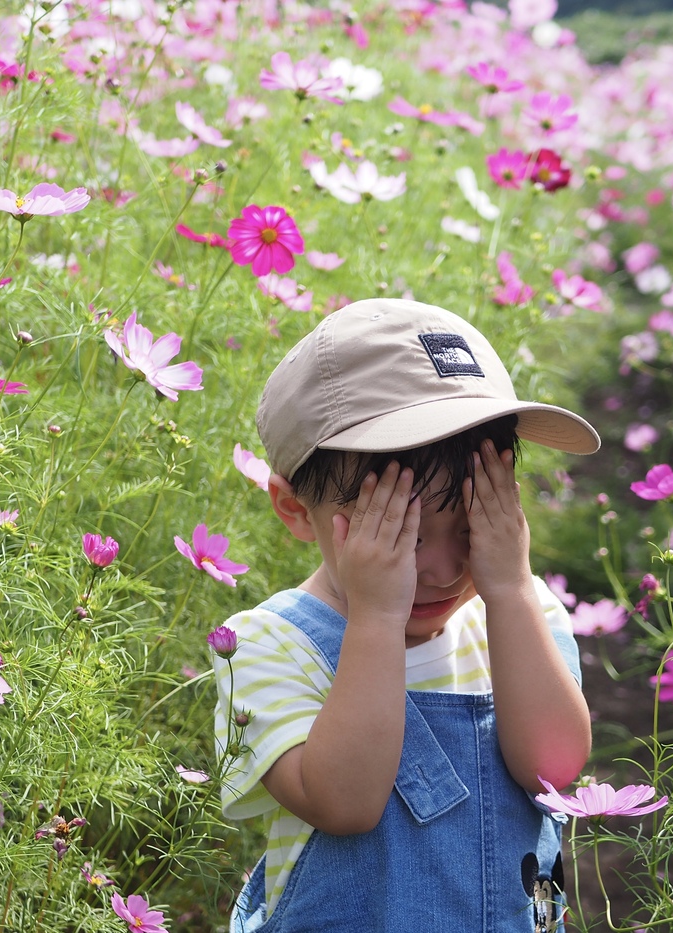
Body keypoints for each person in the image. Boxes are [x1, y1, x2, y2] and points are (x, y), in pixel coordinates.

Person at [219, 297, 600, 931]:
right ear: (293, 509)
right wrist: (374, 619)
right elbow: (344, 804)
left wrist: (509, 593)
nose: (442, 568)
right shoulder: (264, 646)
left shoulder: (521, 614)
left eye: (473, 524)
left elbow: (554, 770)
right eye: (403, 533)